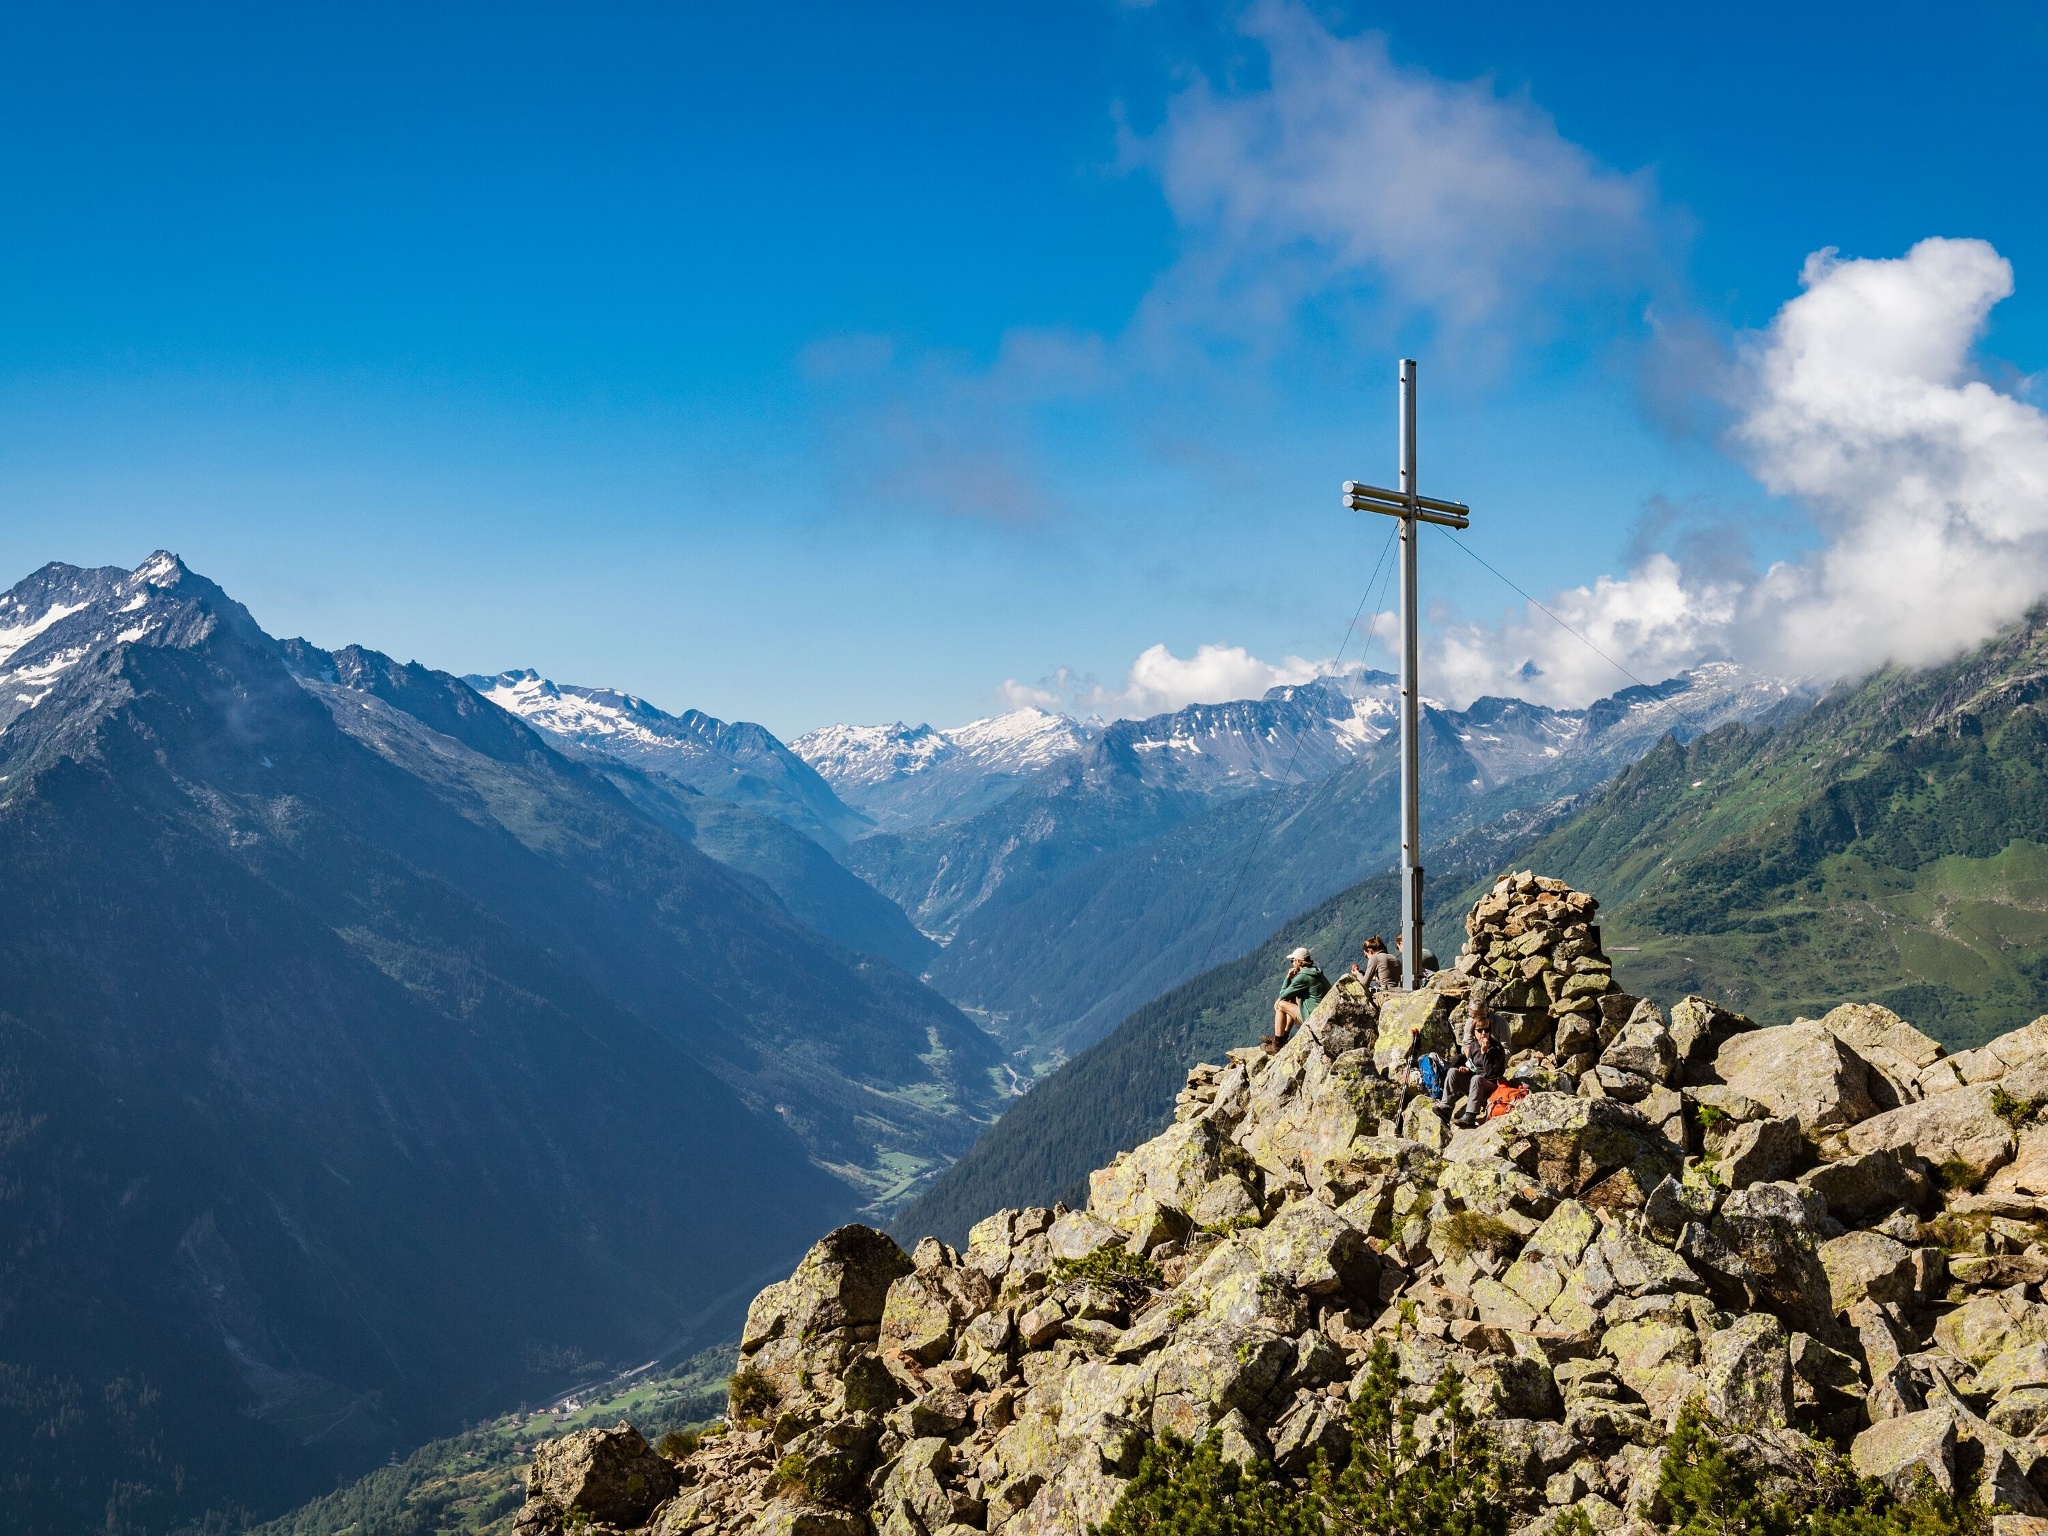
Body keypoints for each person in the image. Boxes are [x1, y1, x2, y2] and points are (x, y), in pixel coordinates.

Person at [1438, 997, 1508, 1128]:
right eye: (1480, 1031)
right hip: (1476, 1079)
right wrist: (1467, 1069)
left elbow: (1491, 1074)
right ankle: (1446, 1108)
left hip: (1490, 1084)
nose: (1483, 1033)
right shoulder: (1474, 1045)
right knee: (1453, 1070)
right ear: (1474, 1032)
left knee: (1476, 1078)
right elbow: (1472, 1062)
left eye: (1486, 1030)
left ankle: (1470, 1116)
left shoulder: (1497, 1047)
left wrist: (1485, 1053)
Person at [1266, 947, 1330, 1048]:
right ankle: (1284, 1036)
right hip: (1322, 1014)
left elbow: (1283, 995)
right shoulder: (1315, 972)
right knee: (1292, 999)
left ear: (1299, 962)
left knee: (1280, 1005)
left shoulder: (1303, 977)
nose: (1292, 963)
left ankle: (1278, 1043)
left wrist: (1288, 978)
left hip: (1313, 1017)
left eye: (1293, 961)